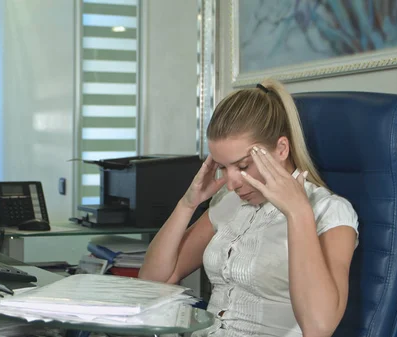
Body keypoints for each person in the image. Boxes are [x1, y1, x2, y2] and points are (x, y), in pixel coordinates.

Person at [138, 79, 359, 337]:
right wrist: (188, 204)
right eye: (222, 167)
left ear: (281, 149)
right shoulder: (229, 202)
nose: (231, 183)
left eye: (243, 166)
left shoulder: (330, 212)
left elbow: (318, 327)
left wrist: (298, 214)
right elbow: (153, 281)